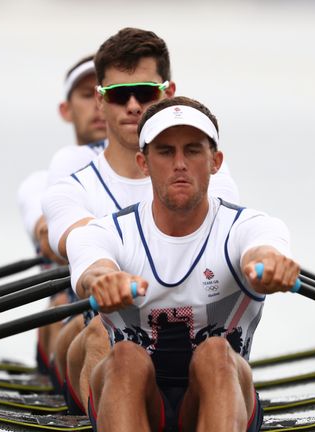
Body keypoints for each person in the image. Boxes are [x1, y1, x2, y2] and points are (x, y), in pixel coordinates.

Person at [66, 97, 299, 432]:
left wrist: (270, 266)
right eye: (164, 151)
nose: (179, 164)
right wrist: (103, 280)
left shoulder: (251, 226)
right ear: (143, 163)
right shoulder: (106, 231)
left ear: (215, 161)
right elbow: (94, 269)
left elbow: (262, 251)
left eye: (192, 150)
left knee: (216, 351)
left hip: (218, 397)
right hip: (131, 396)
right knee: (126, 357)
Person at [41, 29, 239, 415]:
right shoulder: (71, 189)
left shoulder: (210, 175)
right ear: (100, 100)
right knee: (103, 331)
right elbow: (80, 245)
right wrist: (104, 276)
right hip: (103, 340)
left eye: (145, 93)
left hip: (198, 347)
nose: (132, 106)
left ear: (167, 93)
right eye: (118, 95)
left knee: (217, 352)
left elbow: (227, 236)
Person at [15, 54, 105, 379]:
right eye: (87, 95)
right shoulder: (40, 183)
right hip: (70, 320)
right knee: (65, 312)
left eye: (108, 94)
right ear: (65, 111)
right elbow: (50, 241)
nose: (99, 104)